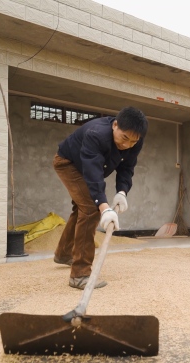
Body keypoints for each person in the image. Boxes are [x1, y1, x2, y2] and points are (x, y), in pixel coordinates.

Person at [52, 106, 148, 290]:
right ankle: (79, 275)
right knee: (90, 209)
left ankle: (63, 253)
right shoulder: (96, 133)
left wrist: (122, 192)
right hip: (68, 163)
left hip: (86, 167)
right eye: (124, 138)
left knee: (82, 208)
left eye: (133, 141)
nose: (127, 145)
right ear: (115, 125)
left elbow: (127, 168)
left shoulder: (136, 141)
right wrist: (104, 207)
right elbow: (93, 172)